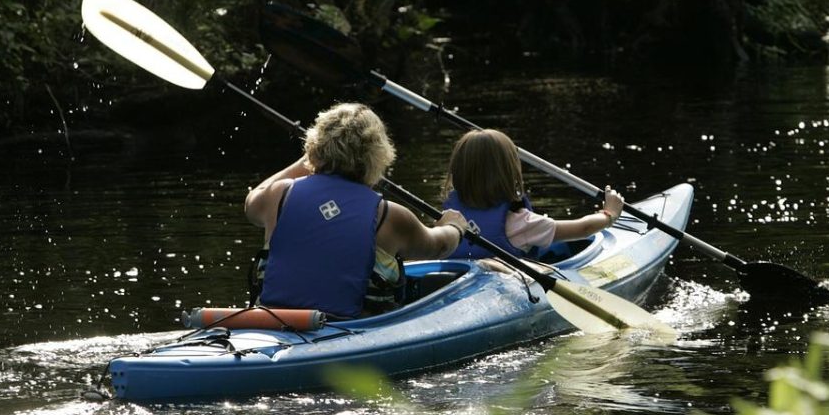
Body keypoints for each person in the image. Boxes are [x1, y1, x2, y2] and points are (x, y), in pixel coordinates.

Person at [244, 103, 468, 318]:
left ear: (314, 147)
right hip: (350, 329)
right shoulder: (389, 215)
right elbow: (438, 246)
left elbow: (252, 202)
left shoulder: (278, 195)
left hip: (273, 322)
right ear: (379, 155)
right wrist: (454, 226)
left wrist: (310, 158)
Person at [441, 128, 624, 259]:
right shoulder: (522, 223)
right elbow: (583, 229)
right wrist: (609, 214)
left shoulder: (447, 219)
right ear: (509, 173)